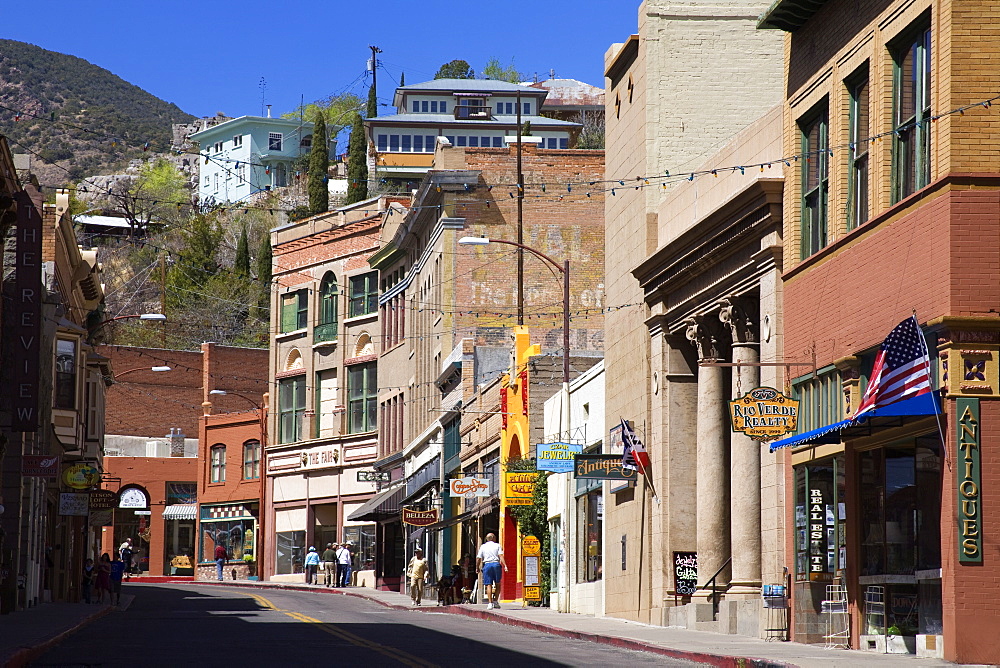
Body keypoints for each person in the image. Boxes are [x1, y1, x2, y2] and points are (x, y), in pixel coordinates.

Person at [476, 532, 507, 609]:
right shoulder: (497, 545)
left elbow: (479, 558)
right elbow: (501, 556)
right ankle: (495, 601)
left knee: (488, 584)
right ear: (493, 538)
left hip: (487, 565)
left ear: (487, 539)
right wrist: (505, 565)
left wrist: (477, 567)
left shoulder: (483, 546)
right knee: (498, 583)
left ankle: (490, 603)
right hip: (496, 564)